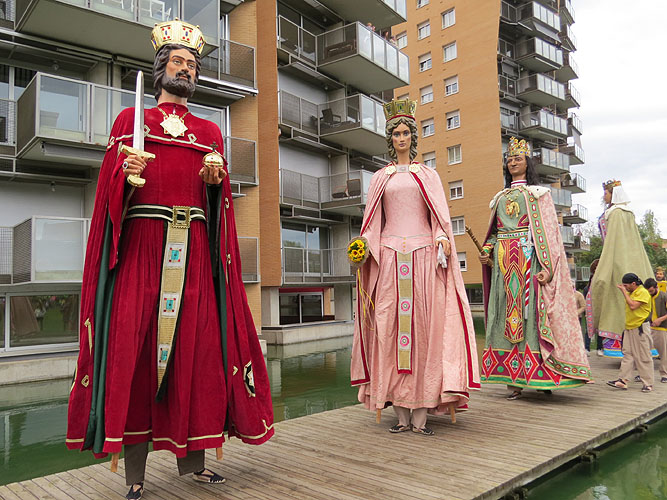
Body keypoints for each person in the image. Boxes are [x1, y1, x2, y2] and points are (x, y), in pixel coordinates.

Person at [66, 20, 274, 500]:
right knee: (136, 356)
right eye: (178, 62)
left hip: (195, 251)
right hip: (143, 250)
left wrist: (216, 183)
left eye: (192, 65)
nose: (186, 70)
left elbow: (219, 203)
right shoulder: (130, 122)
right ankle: (135, 475)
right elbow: (108, 201)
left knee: (195, 356)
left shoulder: (209, 132)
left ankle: (193, 465)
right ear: (161, 69)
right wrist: (125, 175)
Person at [350, 98, 480, 436]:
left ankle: (421, 416)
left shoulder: (429, 175)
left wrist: (442, 238)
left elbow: (439, 217)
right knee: (389, 331)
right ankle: (400, 415)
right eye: (396, 134)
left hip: (423, 258)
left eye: (406, 133)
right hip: (390, 258)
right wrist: (363, 246)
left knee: (425, 332)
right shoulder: (381, 177)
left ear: (413, 137)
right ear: (390, 139)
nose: (401, 138)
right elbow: (372, 222)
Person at [479, 137, 591, 400]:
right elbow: (494, 233)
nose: (512, 163)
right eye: (509, 159)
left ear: (527, 163)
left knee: (533, 321)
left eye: (517, 159)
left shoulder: (538, 195)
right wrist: (487, 250)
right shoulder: (499, 198)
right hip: (504, 266)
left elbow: (548, 236)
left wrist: (547, 268)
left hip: (529, 263)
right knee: (503, 318)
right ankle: (512, 381)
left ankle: (542, 376)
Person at [591, 180, 654, 357]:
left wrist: (607, 263)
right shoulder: (628, 213)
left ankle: (622, 344)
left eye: (606, 193)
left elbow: (613, 241)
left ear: (613, 195)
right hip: (631, 259)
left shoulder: (616, 213)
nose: (604, 196)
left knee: (610, 292)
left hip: (617, 257)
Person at [607, 274, 654, 392]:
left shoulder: (642, 292)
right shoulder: (632, 293)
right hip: (629, 327)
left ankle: (648, 383)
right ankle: (623, 380)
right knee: (627, 353)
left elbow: (633, 306)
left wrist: (624, 292)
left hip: (640, 327)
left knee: (643, 355)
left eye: (626, 285)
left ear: (633, 284)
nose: (625, 287)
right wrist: (626, 292)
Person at [645, 278, 667, 383]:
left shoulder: (664, 296)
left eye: (651, 291)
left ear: (656, 287)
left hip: (661, 328)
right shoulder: (646, 296)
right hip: (648, 327)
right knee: (644, 352)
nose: (650, 293)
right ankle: (644, 374)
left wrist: (660, 319)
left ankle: (664, 374)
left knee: (663, 353)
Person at [574, 284, 588, 354]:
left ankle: (578, 349)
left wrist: (576, 313)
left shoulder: (578, 295)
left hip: (576, 318)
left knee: (577, 334)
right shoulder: (563, 294)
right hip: (565, 318)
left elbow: (583, 306)